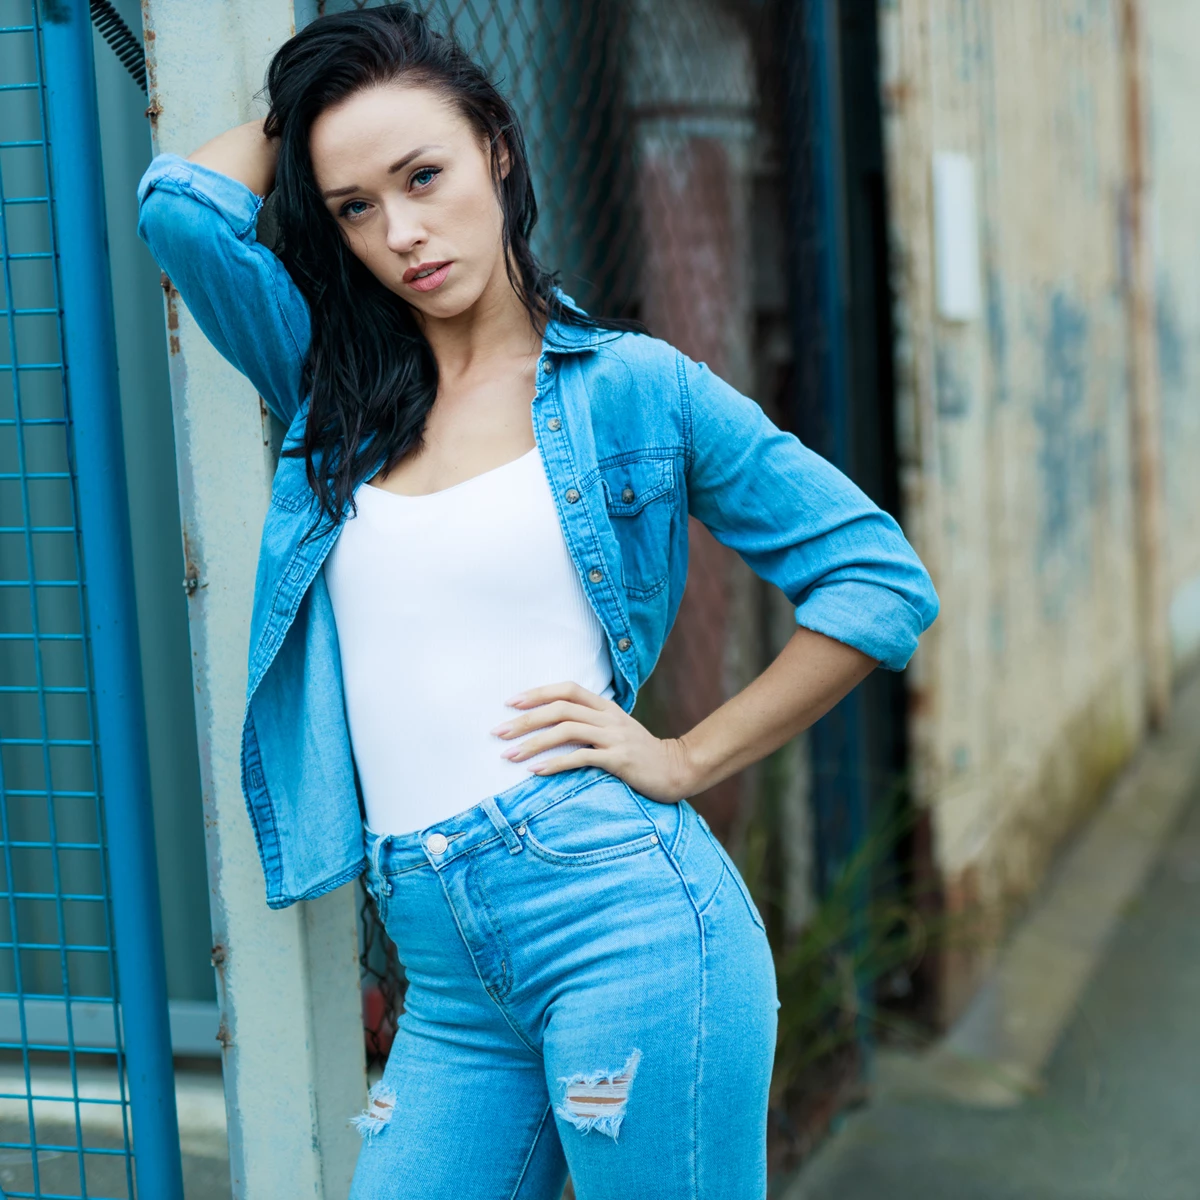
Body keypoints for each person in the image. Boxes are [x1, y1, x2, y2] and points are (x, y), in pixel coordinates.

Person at [136, 5, 938, 1197]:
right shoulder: (333, 393)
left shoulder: (633, 390)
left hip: (623, 924)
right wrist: (306, 109)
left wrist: (685, 755)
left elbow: (877, 579)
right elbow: (180, 209)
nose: (402, 232)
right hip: (443, 971)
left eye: (424, 174)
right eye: (356, 208)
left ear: (497, 150)